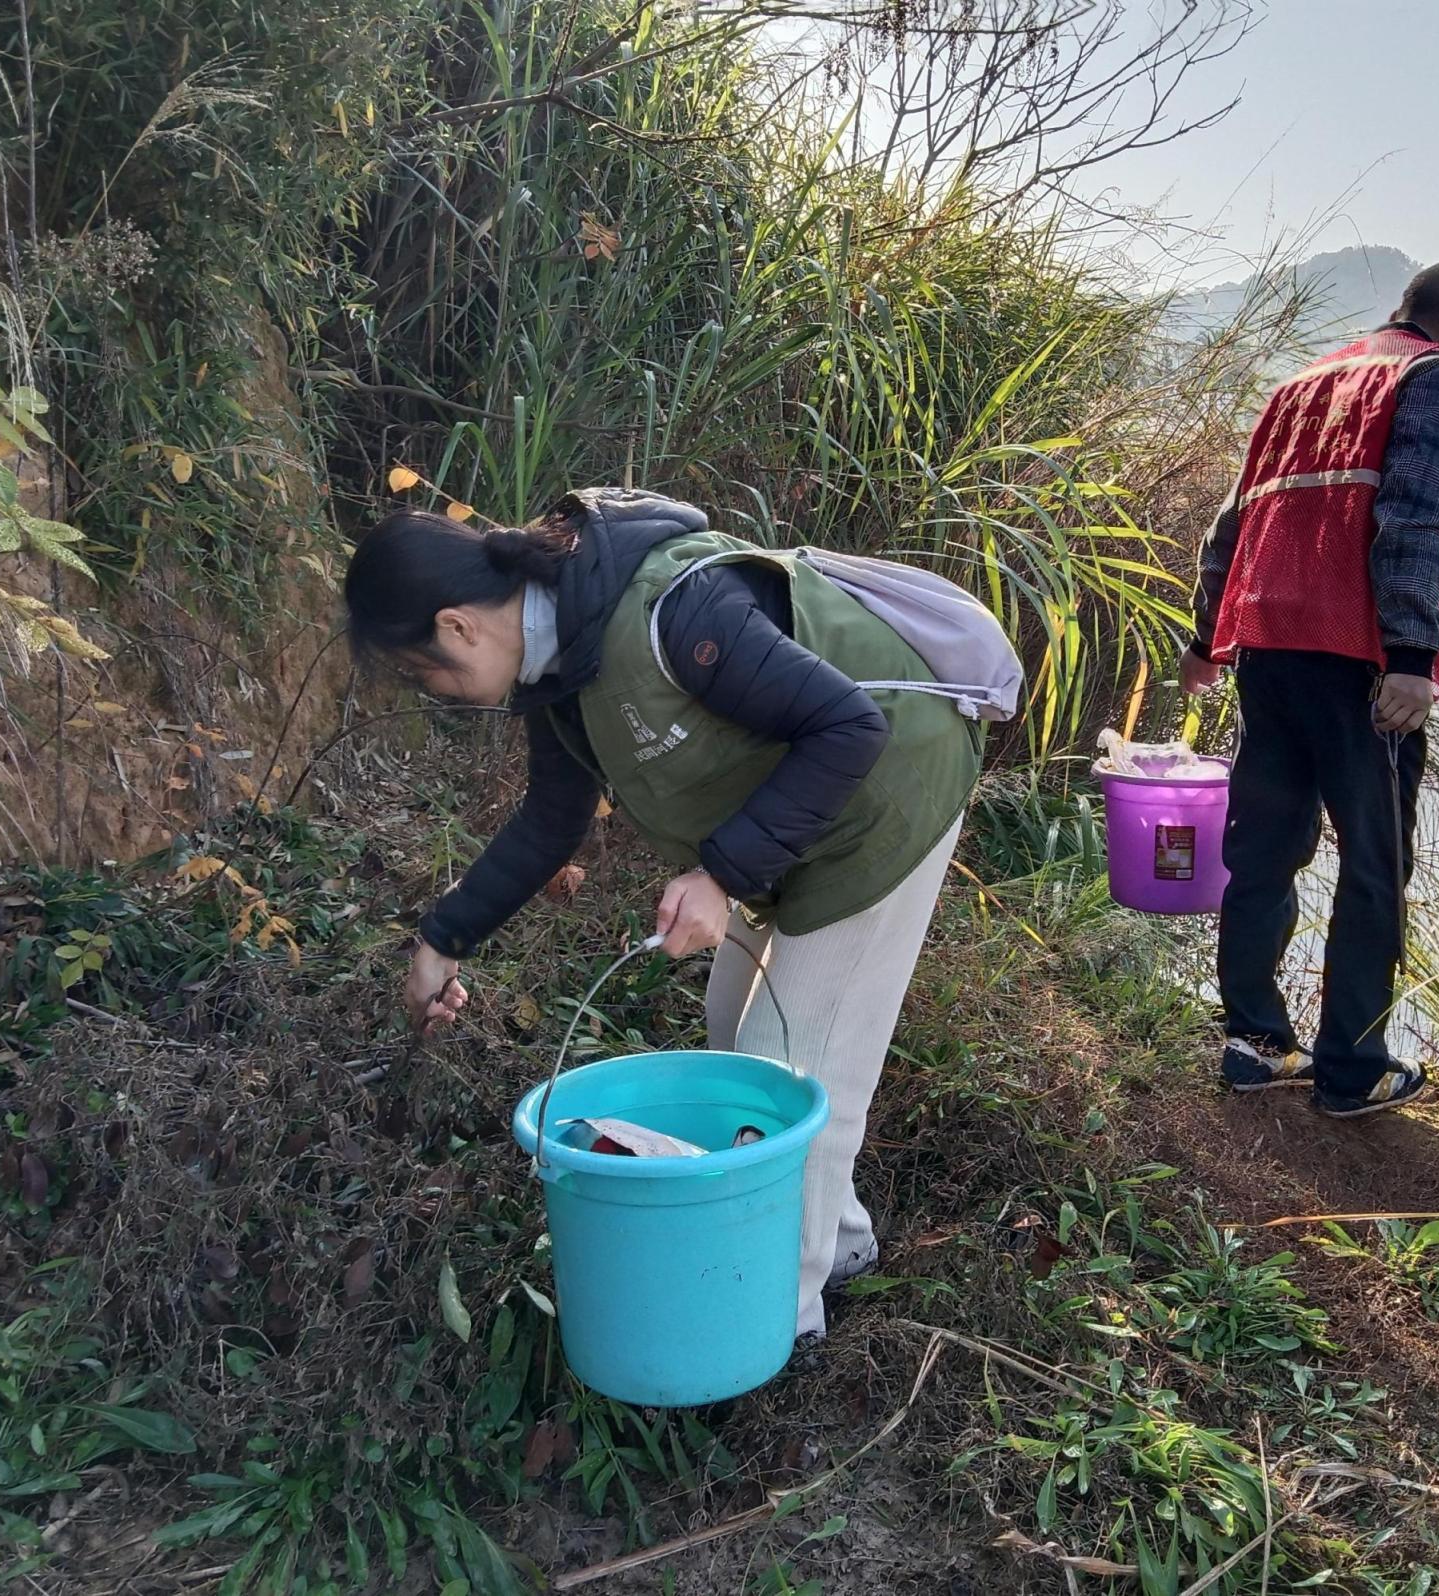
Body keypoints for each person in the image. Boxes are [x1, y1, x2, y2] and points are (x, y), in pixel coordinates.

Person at [342, 488, 986, 1337]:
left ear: (458, 626)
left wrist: (718, 876)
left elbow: (847, 725)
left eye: (425, 670)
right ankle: (843, 1244)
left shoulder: (671, 612)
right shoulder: (560, 658)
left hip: (885, 797)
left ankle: (780, 1327)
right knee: (733, 1028)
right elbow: (551, 819)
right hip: (790, 812)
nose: (441, 691)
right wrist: (442, 938)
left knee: (789, 1075)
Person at [1181, 261, 1439, 1118]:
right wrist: (1408, 655)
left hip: (1268, 646)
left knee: (1262, 849)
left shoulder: (1302, 382)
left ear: (1401, 310)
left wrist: (1204, 636)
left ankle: (1252, 1043)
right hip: (1357, 657)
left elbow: (1231, 522)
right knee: (1372, 863)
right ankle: (1352, 1070)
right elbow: (1412, 516)